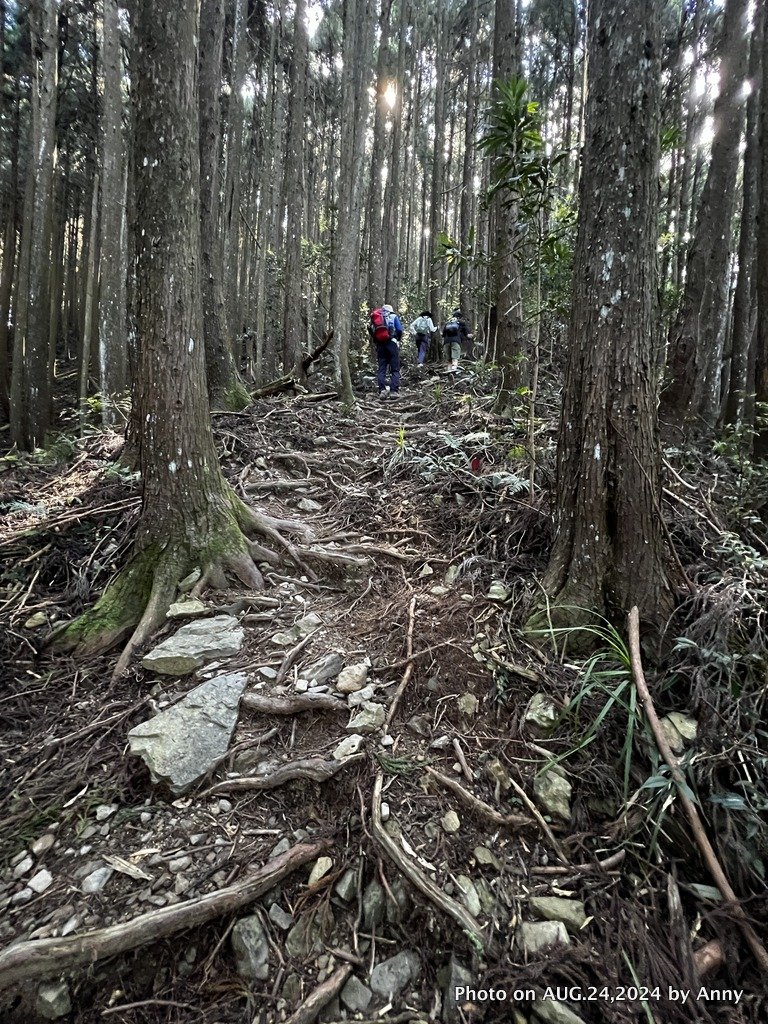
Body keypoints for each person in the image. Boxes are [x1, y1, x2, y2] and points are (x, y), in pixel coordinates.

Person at [368, 303, 403, 400]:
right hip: (392, 344)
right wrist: (397, 338)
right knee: (394, 369)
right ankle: (394, 391)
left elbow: (371, 331)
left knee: (382, 369)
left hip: (380, 346)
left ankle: (382, 390)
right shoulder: (393, 316)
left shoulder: (376, 318)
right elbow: (399, 330)